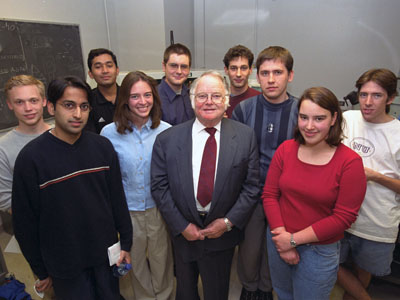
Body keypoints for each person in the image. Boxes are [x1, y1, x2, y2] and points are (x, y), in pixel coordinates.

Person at [12, 76, 132, 300]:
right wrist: (40, 269)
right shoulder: (31, 159)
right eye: (69, 105)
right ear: (50, 106)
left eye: (84, 106)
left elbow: (117, 199)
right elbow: (25, 223)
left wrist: (125, 243)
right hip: (64, 264)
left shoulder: (102, 147)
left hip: (105, 256)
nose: (78, 114)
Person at [151, 71, 260, 300]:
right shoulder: (168, 140)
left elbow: (251, 187)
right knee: (185, 292)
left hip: (222, 236)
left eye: (216, 96)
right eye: (202, 96)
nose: (209, 101)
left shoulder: (245, 136)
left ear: (226, 100)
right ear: (192, 101)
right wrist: (181, 226)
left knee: (217, 292)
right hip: (182, 235)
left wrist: (228, 222)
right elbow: (159, 186)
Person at [262, 87, 366, 300]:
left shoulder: (350, 163)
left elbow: (343, 217)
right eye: (303, 117)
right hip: (278, 240)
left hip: (318, 251)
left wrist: (292, 240)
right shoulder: (286, 150)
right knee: (283, 294)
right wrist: (282, 240)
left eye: (319, 118)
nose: (309, 126)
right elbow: (270, 195)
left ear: (333, 118)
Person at [232, 46, 298, 300]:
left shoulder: (300, 112)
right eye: (265, 73)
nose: (271, 79)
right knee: (249, 250)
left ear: (290, 75)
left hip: (285, 197)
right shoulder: (244, 110)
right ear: (256, 76)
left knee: (276, 251)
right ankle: (249, 289)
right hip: (249, 195)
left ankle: (265, 291)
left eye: (278, 72)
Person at [101, 71, 174, 300]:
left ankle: (164, 296)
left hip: (158, 210)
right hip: (127, 211)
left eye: (147, 95)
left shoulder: (167, 131)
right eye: (134, 96)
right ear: (124, 100)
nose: (142, 102)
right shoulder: (108, 134)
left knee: (162, 261)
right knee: (136, 264)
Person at [337, 68, 400, 300]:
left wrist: (375, 176)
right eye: (363, 95)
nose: (368, 102)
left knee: (363, 273)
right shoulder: (347, 119)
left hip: (376, 222)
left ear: (390, 98)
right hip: (340, 215)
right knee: (330, 263)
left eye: (377, 96)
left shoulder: (397, 133)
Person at [0, 75, 51, 222]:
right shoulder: (3, 148)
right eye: (19, 102)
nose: (28, 108)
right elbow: (6, 199)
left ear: (44, 101)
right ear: (10, 104)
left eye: (33, 100)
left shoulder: (62, 136)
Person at [158, 43, 195, 125]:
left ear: (189, 69)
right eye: (174, 66)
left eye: (184, 67)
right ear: (164, 66)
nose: (179, 71)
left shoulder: (192, 96)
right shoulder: (154, 99)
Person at [85, 48, 120, 133]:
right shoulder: (87, 102)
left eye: (109, 65)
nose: (105, 71)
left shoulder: (130, 96)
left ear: (117, 70)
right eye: (98, 67)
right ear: (91, 74)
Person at [223, 45, 261, 118]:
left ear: (250, 70)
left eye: (243, 68)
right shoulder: (217, 101)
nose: (238, 74)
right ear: (226, 70)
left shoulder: (259, 100)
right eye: (233, 68)